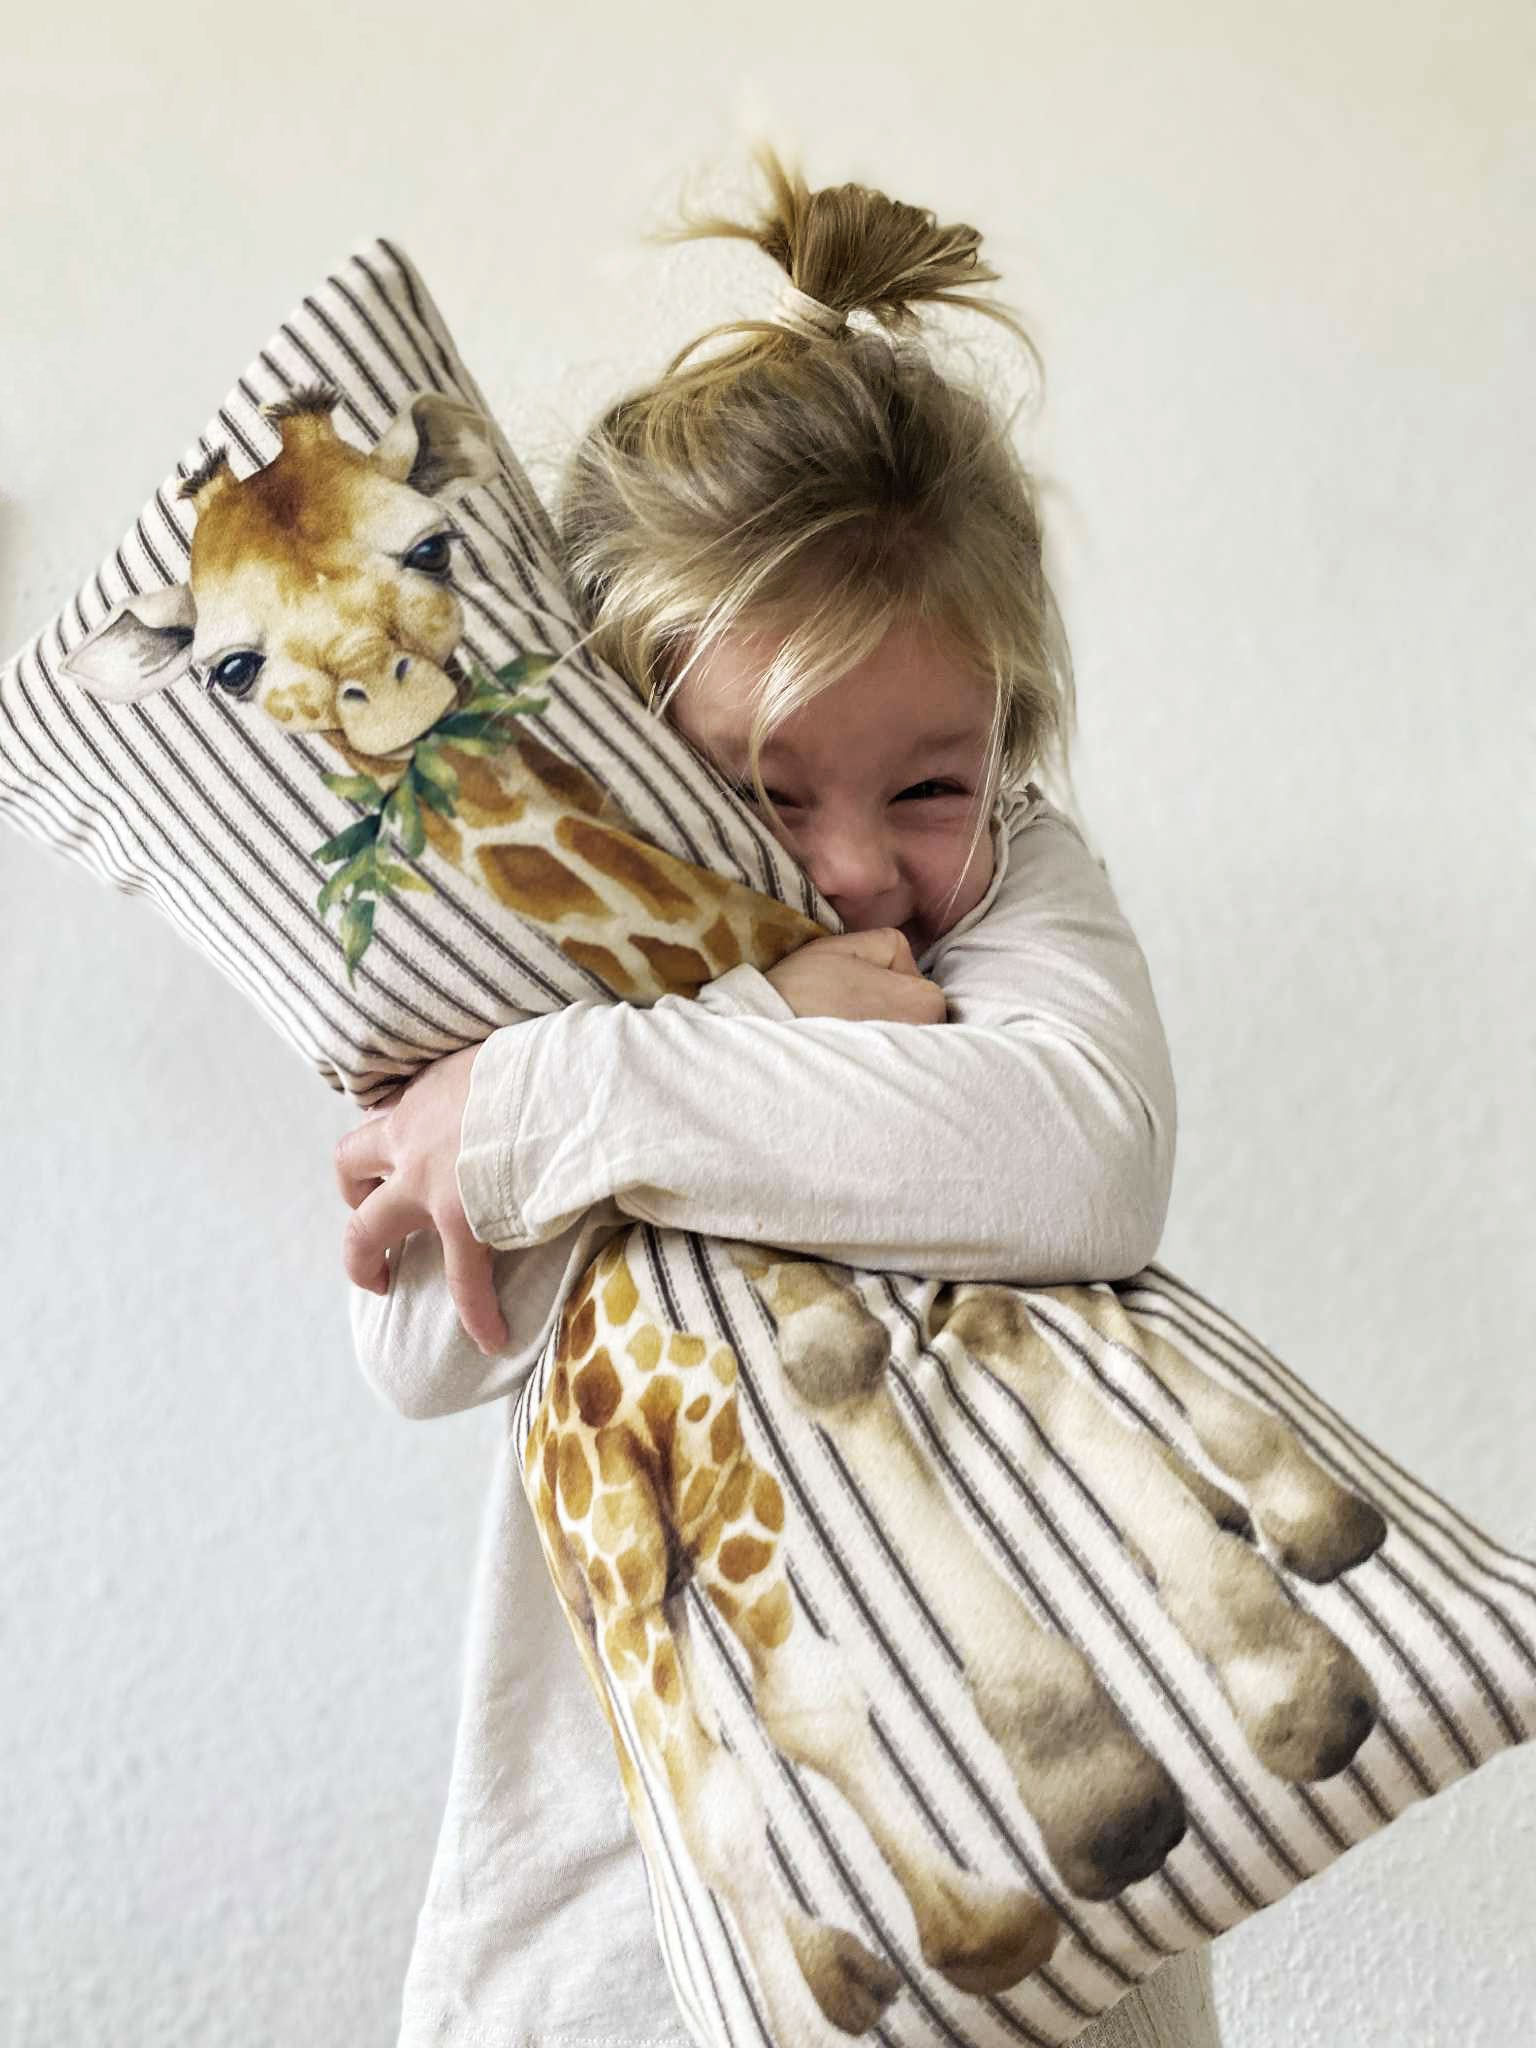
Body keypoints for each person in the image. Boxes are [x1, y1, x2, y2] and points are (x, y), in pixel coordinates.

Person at [337, 146, 1219, 2048]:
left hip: (1049, 1910)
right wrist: (719, 1020)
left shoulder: (1018, 892)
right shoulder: (544, 947)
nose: (856, 871)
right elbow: (412, 1339)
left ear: (1008, 742)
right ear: (615, 746)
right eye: (763, 789)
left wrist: (571, 1100)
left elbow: (1082, 1165)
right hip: (629, 1929)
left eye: (928, 784)